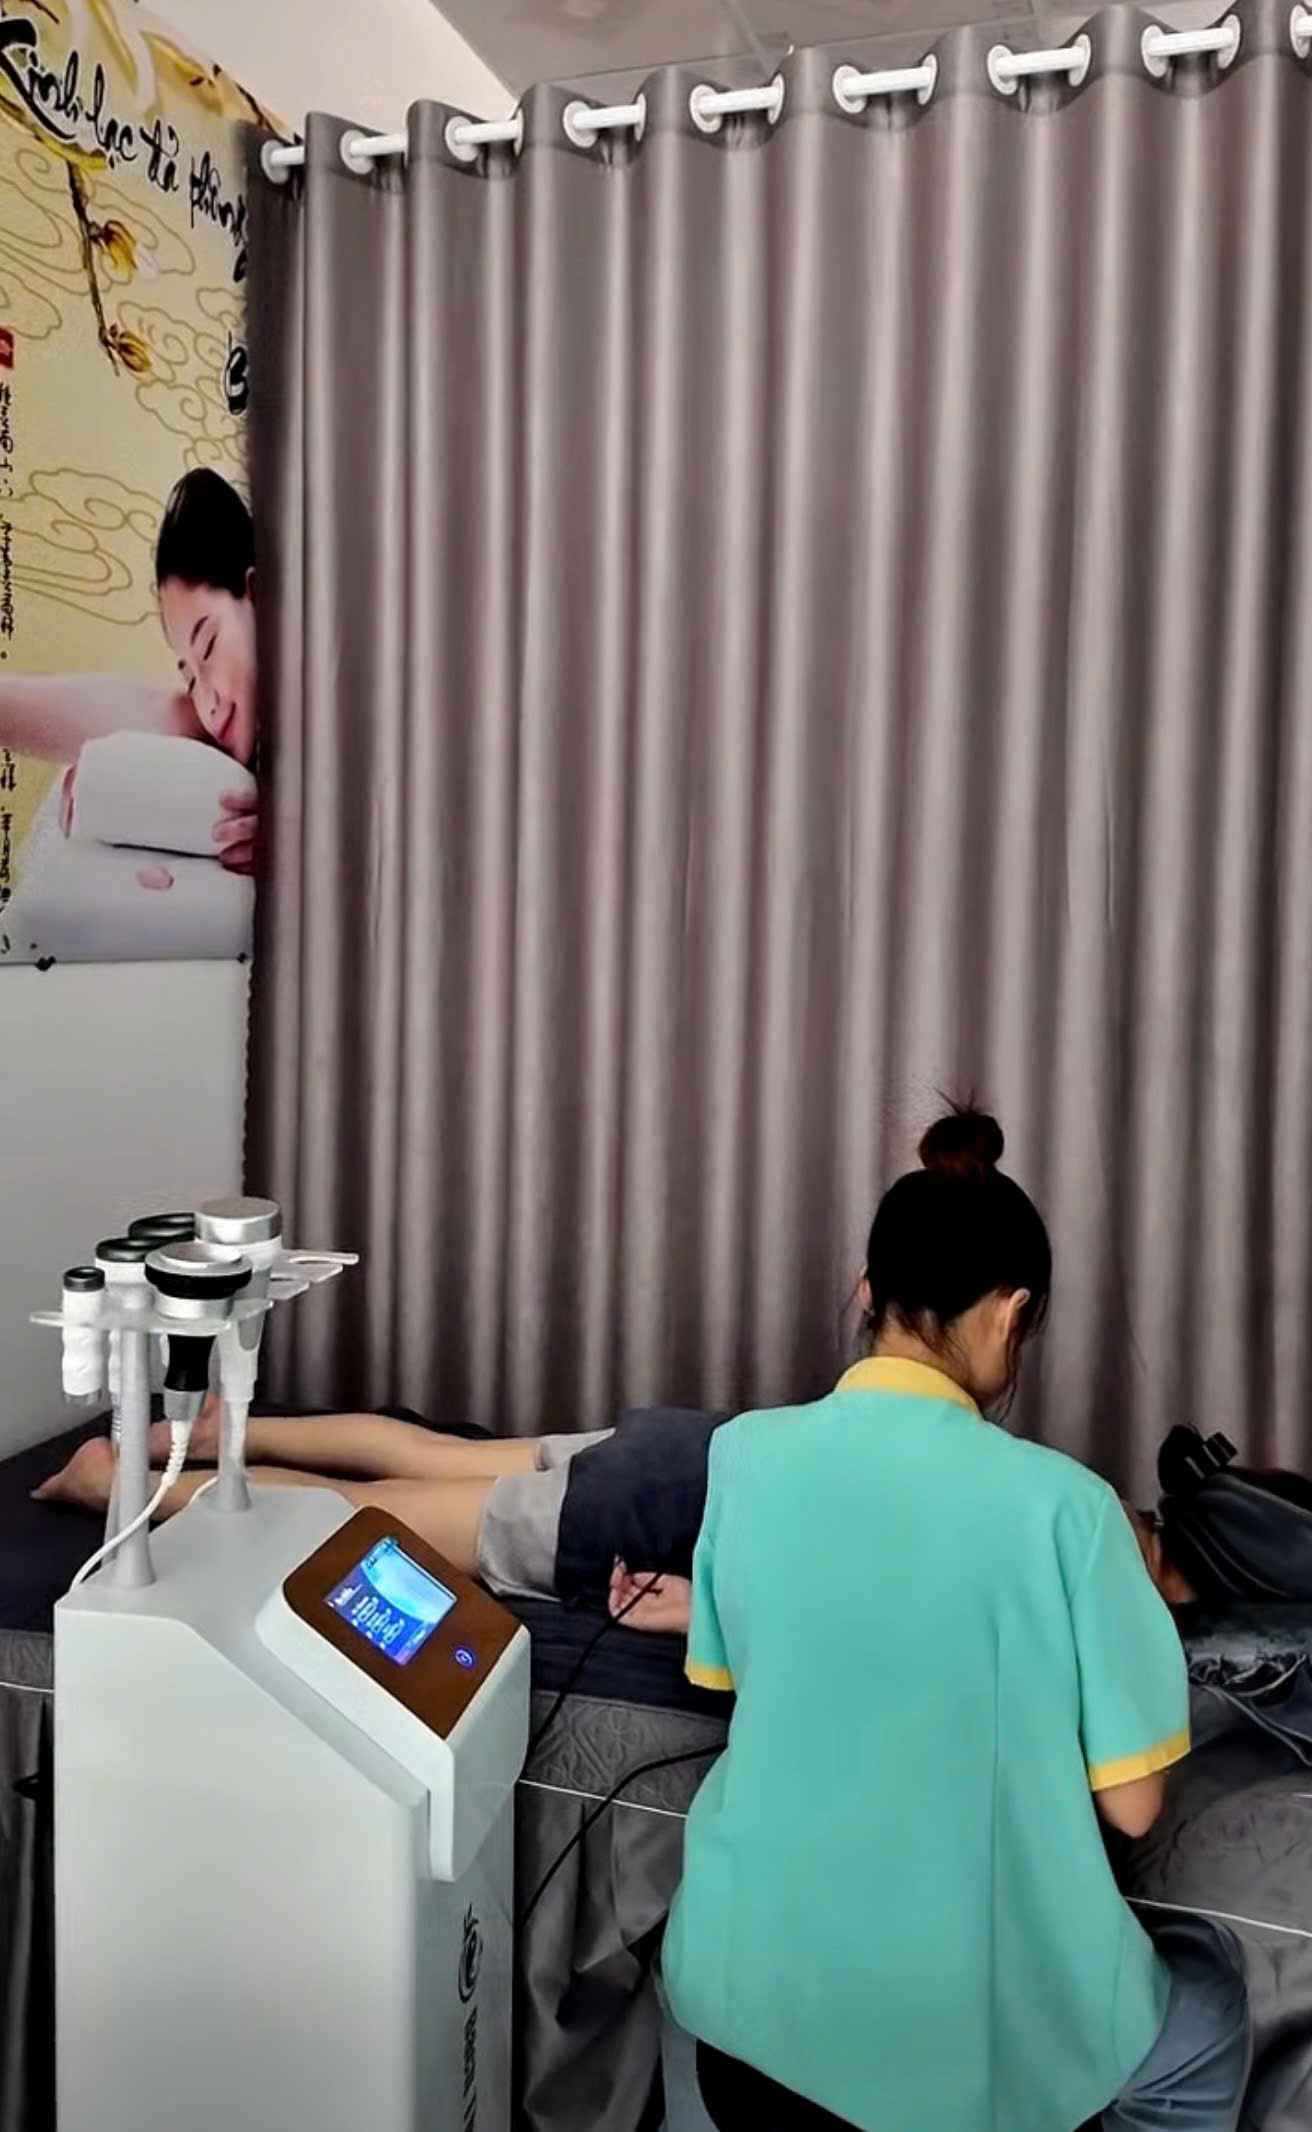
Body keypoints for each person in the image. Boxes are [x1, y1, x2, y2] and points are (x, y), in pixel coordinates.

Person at [660, 1107, 1250, 2132]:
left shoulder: (742, 1454)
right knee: (1209, 2013)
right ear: (1011, 1314)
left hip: (736, 2001)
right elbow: (1133, 1807)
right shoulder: (1069, 1509)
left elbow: (744, 1674)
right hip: (946, 2050)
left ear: (867, 1292)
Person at [0, 468, 257, 877]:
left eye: (208, 646)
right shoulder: (218, 719)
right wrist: (111, 775)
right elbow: (150, 711)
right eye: (190, 679)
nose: (208, 703)